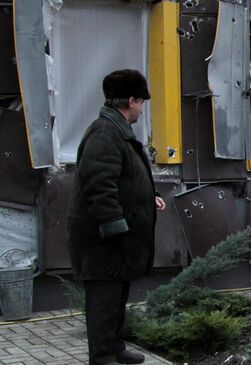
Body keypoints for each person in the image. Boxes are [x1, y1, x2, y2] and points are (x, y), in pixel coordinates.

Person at [67, 69, 165, 365]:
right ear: (131, 100)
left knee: (117, 296)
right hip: (103, 240)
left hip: (116, 239)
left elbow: (124, 177)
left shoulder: (116, 130)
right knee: (103, 300)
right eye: (141, 102)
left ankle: (116, 346)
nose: (141, 109)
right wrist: (115, 229)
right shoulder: (105, 133)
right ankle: (103, 355)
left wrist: (149, 195)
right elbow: (99, 185)